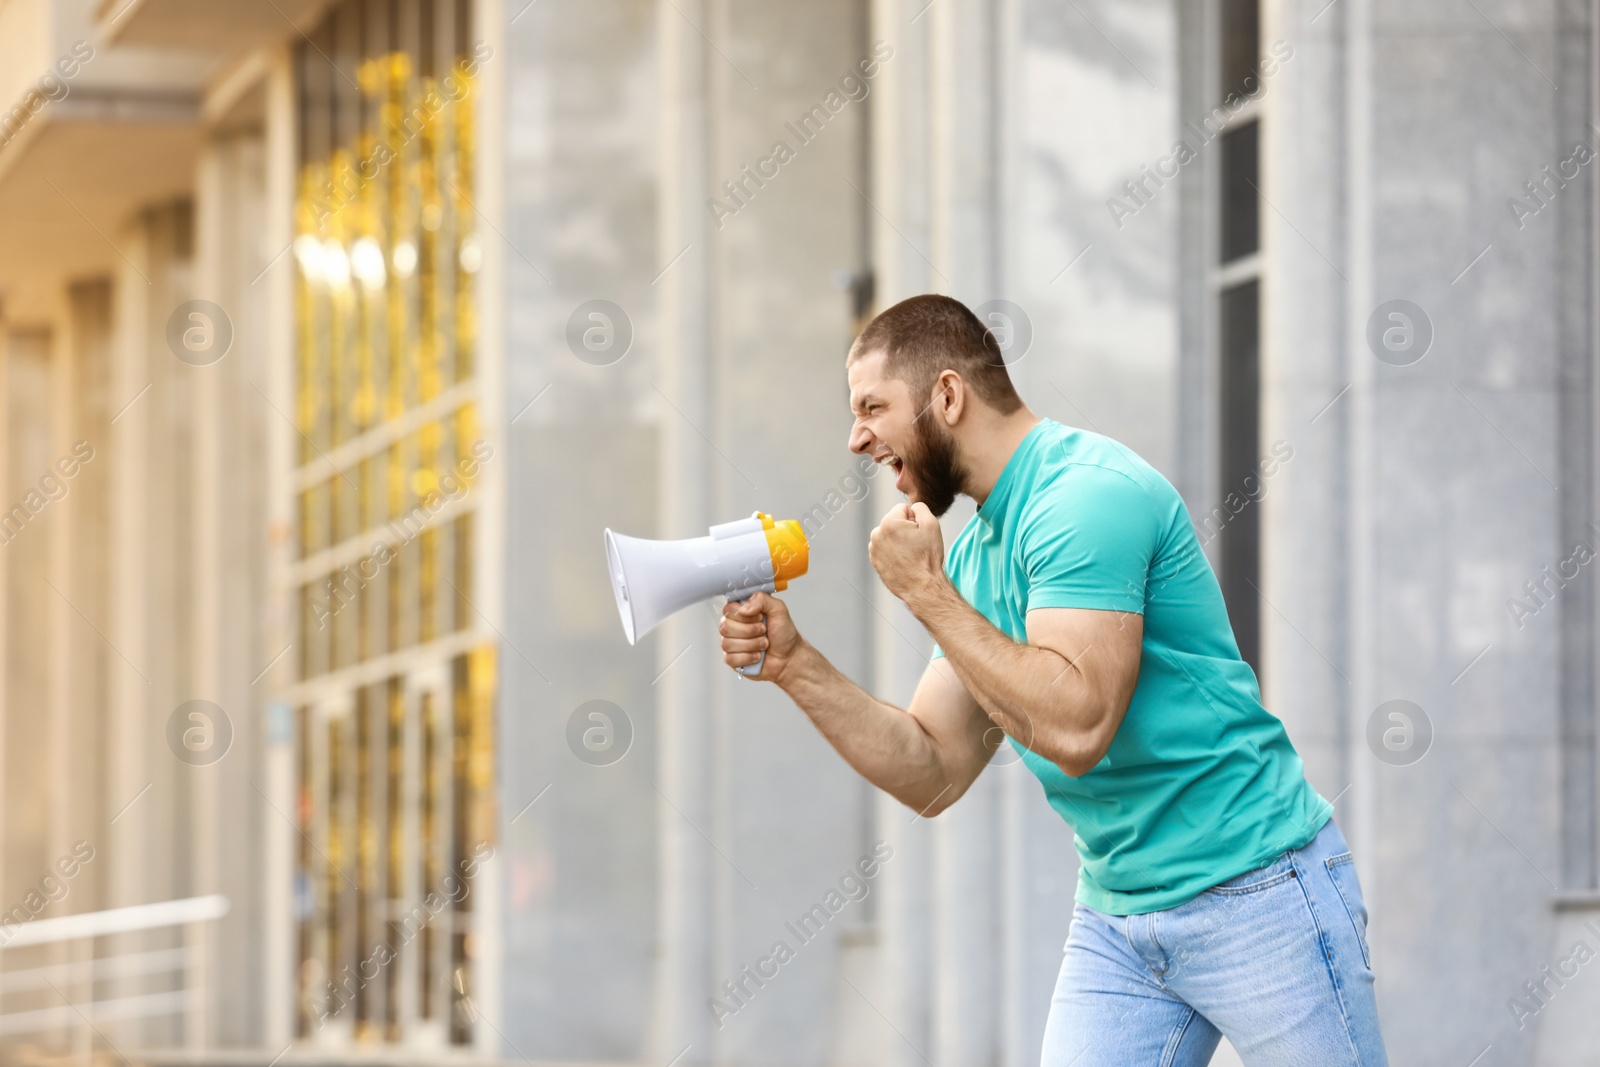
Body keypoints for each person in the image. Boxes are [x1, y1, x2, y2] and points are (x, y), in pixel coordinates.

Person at [717, 294, 1388, 1065]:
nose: (855, 436)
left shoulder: (1083, 497)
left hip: (1258, 892)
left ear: (947, 395)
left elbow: (1077, 726)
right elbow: (932, 769)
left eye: (872, 406)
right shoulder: (973, 554)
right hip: (1120, 919)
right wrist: (796, 665)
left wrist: (927, 595)